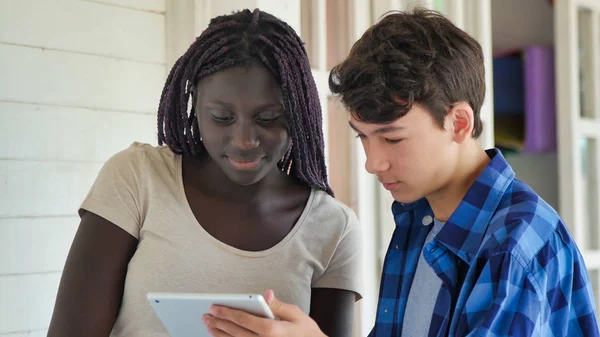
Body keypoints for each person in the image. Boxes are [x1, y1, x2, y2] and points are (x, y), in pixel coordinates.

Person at [203, 8, 600, 337]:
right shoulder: (419, 221)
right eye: (363, 137)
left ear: (459, 123)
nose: (373, 162)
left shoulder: (514, 245)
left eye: (392, 139)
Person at [47, 9, 362, 337]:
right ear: (194, 105)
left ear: (299, 113)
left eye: (268, 118)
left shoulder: (333, 229)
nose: (244, 142)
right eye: (222, 118)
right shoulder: (137, 178)